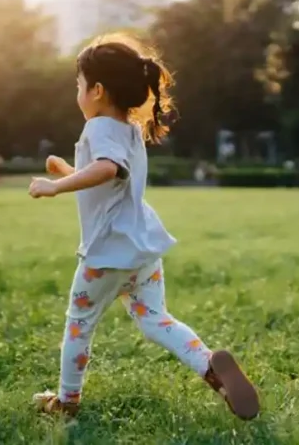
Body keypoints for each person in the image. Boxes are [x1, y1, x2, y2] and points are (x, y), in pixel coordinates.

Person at [26, 34, 260, 421]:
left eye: (79, 86)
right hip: (140, 249)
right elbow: (108, 180)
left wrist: (55, 186)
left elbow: (106, 169)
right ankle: (209, 367)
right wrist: (69, 172)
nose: (78, 94)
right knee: (156, 319)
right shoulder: (129, 129)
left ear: (98, 90)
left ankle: (66, 402)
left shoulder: (99, 127)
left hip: (107, 253)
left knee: (79, 324)